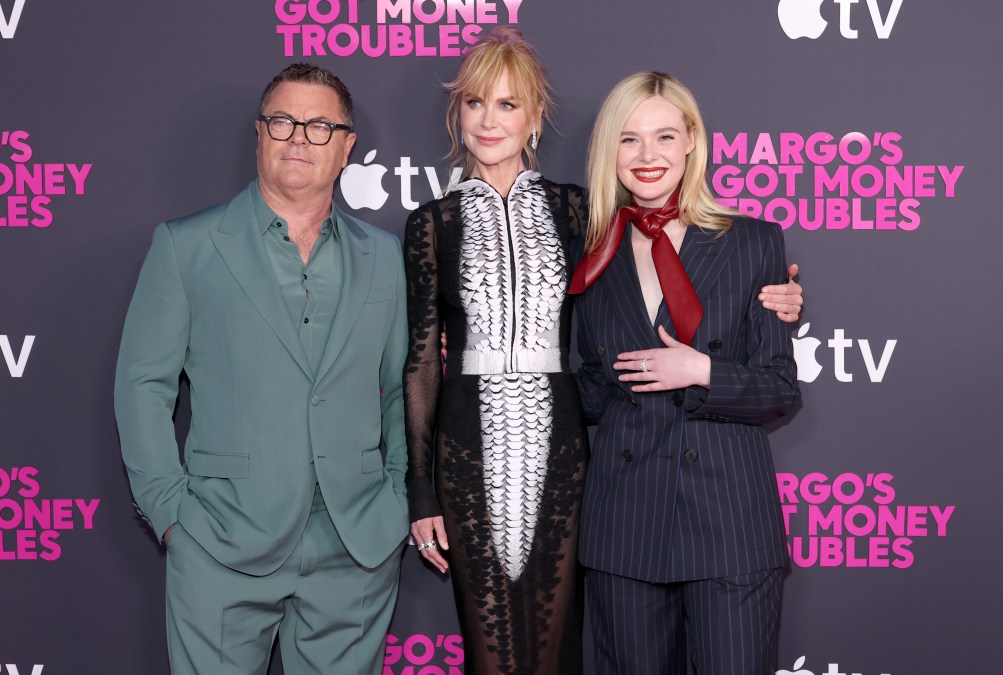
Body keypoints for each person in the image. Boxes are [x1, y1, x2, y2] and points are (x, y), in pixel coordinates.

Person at [403, 30, 803, 674]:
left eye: (508, 104)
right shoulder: (564, 232)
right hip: (564, 490)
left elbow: (775, 378)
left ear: (535, 118)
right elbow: (433, 362)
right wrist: (421, 486)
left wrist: (769, 311)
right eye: (475, 103)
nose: (489, 119)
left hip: (670, 499)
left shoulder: (589, 219)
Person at [114, 63, 408, 675]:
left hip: (355, 547)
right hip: (220, 542)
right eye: (283, 121)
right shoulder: (186, 246)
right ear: (260, 133)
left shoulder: (384, 258)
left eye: (319, 125)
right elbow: (143, 386)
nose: (298, 137)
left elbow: (404, 389)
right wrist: (171, 516)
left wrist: (397, 498)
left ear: (348, 146)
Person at [570, 71, 801, 675]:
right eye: (629, 139)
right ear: (608, 151)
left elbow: (779, 390)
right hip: (624, 527)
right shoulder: (590, 253)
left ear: (693, 140)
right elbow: (587, 393)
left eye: (664, 136)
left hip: (729, 525)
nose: (648, 157)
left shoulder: (753, 242)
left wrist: (702, 369)